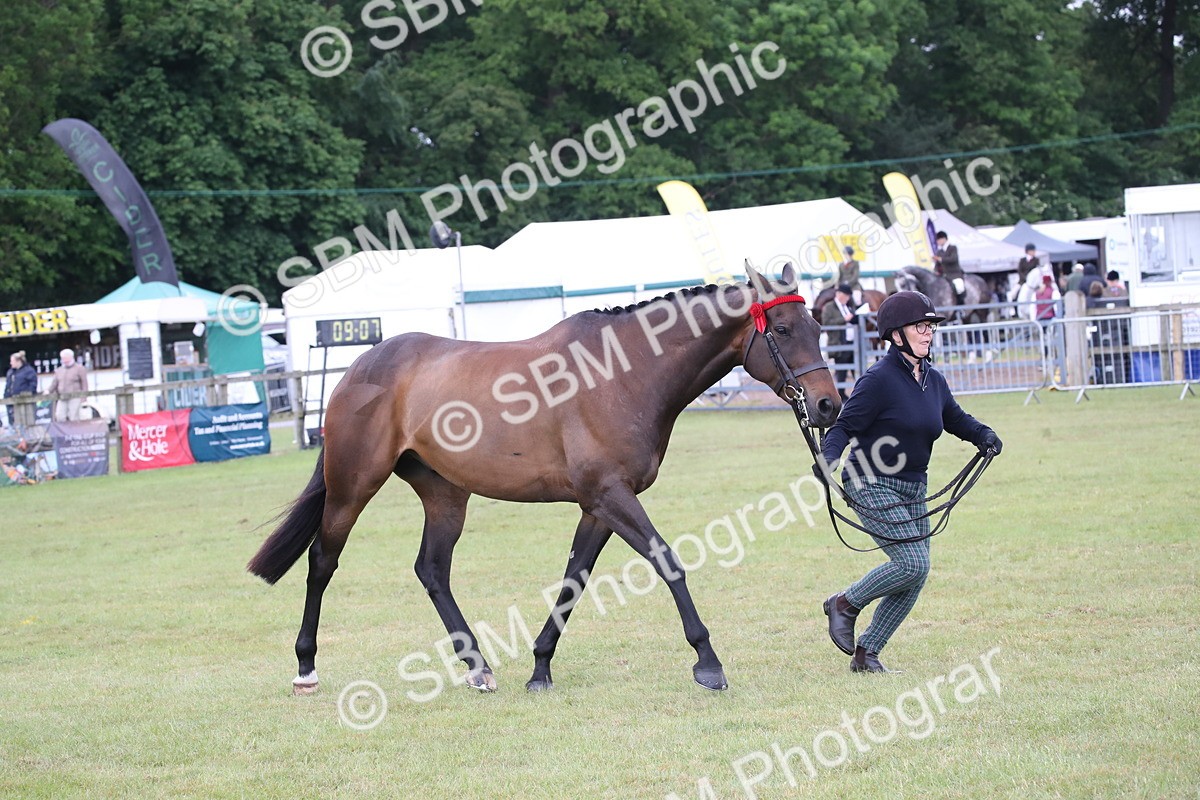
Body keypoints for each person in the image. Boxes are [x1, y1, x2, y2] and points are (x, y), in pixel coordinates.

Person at [819, 291, 1001, 674]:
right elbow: (844, 426)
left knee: (916, 574)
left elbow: (953, 418)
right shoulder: (878, 380)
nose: (928, 332)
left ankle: (867, 653)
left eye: (931, 326)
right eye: (921, 326)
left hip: (913, 487)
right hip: (870, 481)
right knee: (912, 563)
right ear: (896, 334)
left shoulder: (932, 380)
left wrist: (982, 434)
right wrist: (829, 460)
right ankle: (844, 604)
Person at [821, 283, 858, 398]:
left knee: (856, 370)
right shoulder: (829, 307)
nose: (847, 298)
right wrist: (843, 319)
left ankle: (857, 393)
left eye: (848, 296)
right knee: (841, 372)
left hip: (852, 342)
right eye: (845, 295)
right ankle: (841, 395)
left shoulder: (849, 307)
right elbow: (826, 323)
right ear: (838, 294)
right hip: (839, 342)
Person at [45, 348, 88, 422]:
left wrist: (84, 397)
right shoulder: (59, 370)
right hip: (62, 397)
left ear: (71, 357)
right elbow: (54, 383)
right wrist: (48, 391)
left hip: (75, 396)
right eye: (63, 359)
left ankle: (75, 432)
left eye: (66, 358)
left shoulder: (79, 368)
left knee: (74, 417)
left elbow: (84, 383)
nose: (65, 361)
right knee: (59, 416)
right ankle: (64, 433)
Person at [4, 351, 39, 429]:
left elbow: (33, 385)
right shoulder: (10, 372)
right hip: (11, 400)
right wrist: (6, 395)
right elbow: (8, 385)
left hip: (25, 401)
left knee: (27, 421)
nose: (10, 363)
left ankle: (29, 438)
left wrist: (27, 394)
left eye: (12, 361)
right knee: (13, 421)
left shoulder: (29, 371)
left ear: (18, 361)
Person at [932, 231, 965, 305]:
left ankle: (960, 307)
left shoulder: (953, 248)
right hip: (944, 275)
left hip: (954, 274)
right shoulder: (939, 251)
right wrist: (935, 270)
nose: (938, 242)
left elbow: (953, 259)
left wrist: (940, 259)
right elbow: (937, 264)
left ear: (944, 239)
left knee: (959, 288)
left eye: (939, 240)